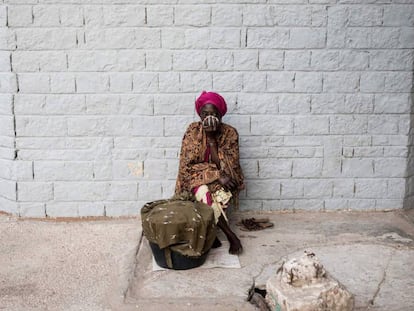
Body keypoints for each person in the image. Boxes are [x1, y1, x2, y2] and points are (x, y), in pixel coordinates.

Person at [175, 91, 244, 255]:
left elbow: (229, 167)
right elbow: (188, 166)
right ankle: (231, 235)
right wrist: (216, 174)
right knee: (205, 195)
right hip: (195, 179)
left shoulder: (229, 134)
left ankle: (212, 235)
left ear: (220, 115)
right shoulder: (193, 131)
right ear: (200, 115)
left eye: (214, 114)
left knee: (220, 195)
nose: (209, 117)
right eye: (205, 114)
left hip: (223, 179)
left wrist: (212, 140)